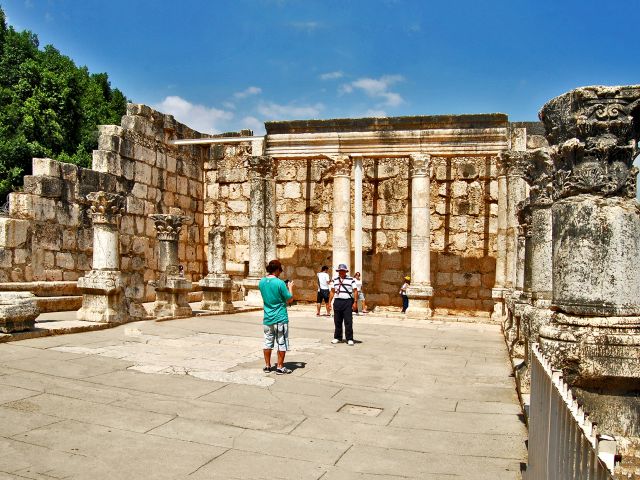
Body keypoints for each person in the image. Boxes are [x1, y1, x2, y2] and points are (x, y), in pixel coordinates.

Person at [259, 259, 294, 374]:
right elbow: (290, 299)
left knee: (267, 342)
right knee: (282, 342)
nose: (280, 273)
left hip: (267, 318)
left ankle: (267, 365)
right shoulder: (279, 283)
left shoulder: (262, 282)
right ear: (277, 270)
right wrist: (290, 287)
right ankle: (280, 366)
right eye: (280, 271)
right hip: (280, 317)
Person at [328, 263, 358, 346]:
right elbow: (332, 291)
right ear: (338, 271)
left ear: (346, 271)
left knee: (348, 321)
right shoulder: (335, 280)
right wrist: (329, 302)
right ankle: (337, 337)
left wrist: (355, 302)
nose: (341, 272)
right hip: (337, 301)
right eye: (340, 270)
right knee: (337, 321)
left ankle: (349, 338)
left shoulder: (351, 279)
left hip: (347, 302)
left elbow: (355, 291)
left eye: (343, 271)